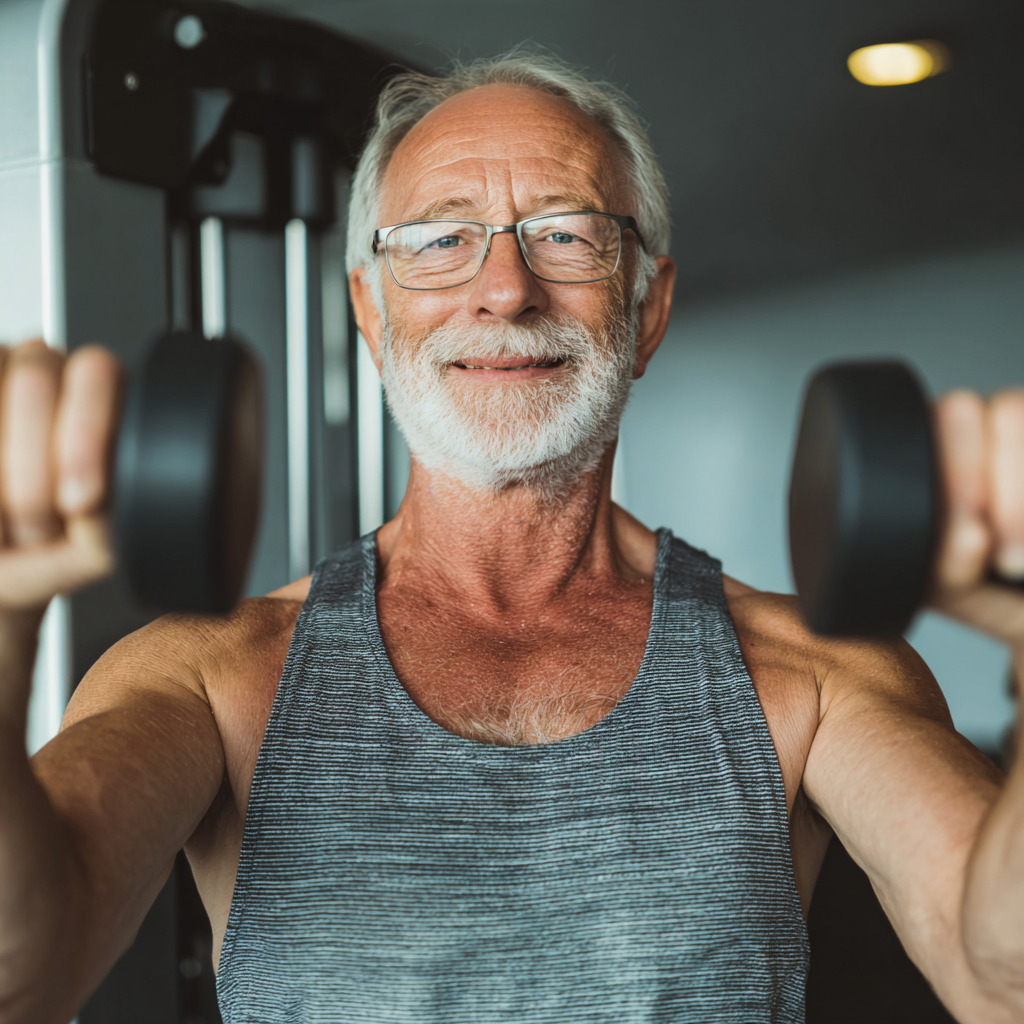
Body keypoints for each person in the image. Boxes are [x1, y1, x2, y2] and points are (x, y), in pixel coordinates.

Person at [1, 50, 1023, 1024]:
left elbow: (1006, 975)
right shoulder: (206, 676)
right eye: (440, 240)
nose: (504, 289)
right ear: (370, 306)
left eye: (567, 234)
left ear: (647, 306)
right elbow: (20, 979)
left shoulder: (815, 672)